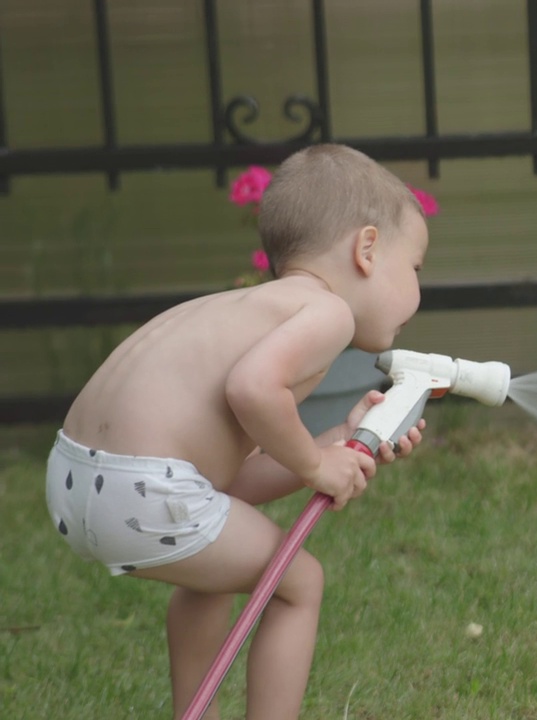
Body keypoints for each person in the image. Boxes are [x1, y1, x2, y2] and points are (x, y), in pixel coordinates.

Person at [44, 143, 432, 719]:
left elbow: (231, 482)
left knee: (212, 572)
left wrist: (339, 437)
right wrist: (316, 466)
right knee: (298, 582)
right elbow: (251, 390)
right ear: (367, 248)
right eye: (417, 267)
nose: (419, 291)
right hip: (147, 487)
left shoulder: (243, 312)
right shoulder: (328, 313)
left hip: (78, 479)